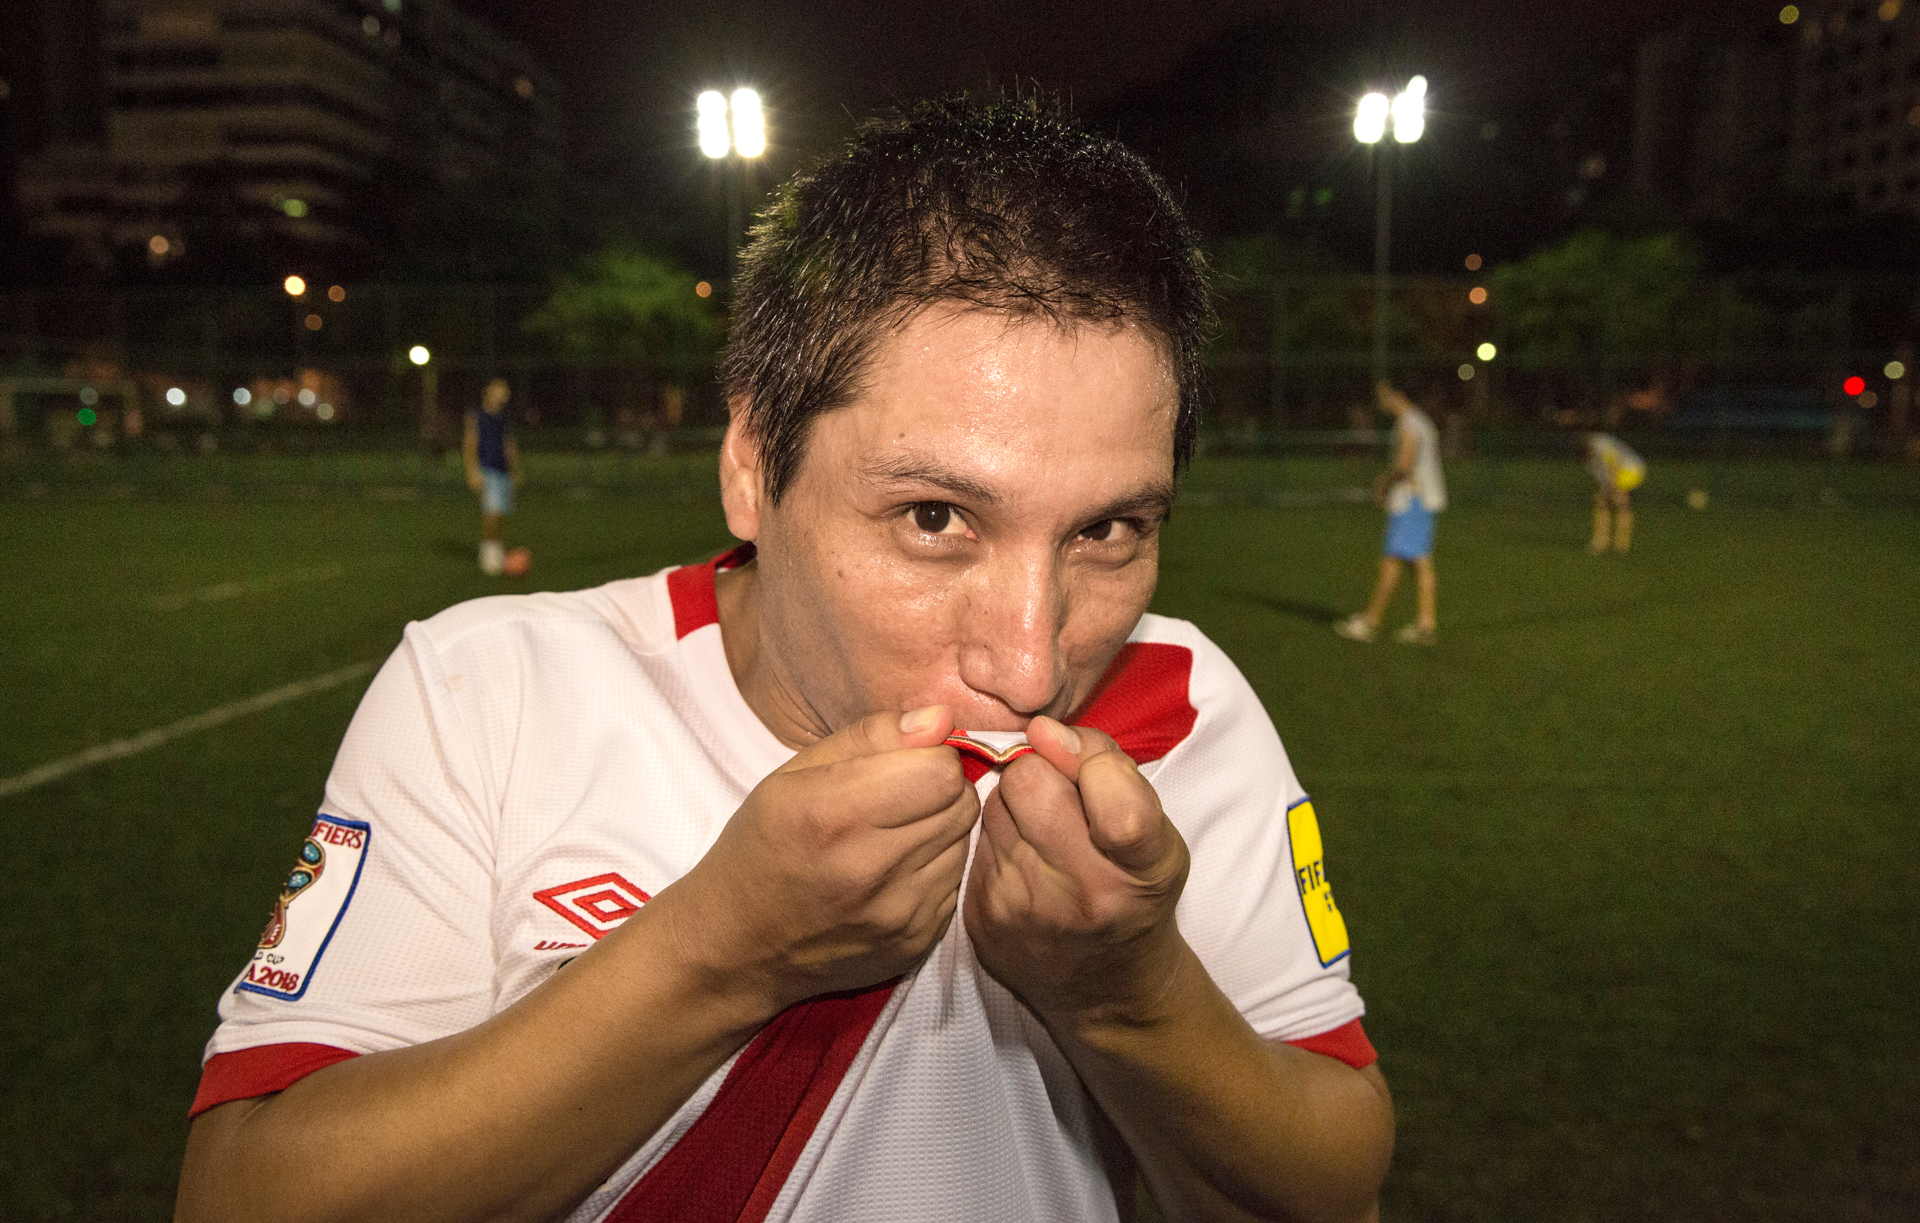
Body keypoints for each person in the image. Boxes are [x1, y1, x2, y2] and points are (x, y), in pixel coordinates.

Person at [177, 98, 1393, 1223]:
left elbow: (1336, 1176)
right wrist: (720, 949)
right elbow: (240, 1193)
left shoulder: (1180, 707)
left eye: (1108, 530)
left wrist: (1132, 997)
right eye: (934, 518)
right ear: (754, 465)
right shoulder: (490, 691)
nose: (1031, 663)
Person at [1336, 380, 1446, 645]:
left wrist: (1383, 482)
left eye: (1384, 394)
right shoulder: (1422, 420)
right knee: (1419, 561)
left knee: (1393, 558)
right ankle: (1425, 626)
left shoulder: (1408, 422)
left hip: (1412, 500)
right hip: (1424, 499)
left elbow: (1406, 464)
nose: (1380, 400)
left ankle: (1371, 621)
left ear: (1398, 394)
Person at [462, 378, 522, 575]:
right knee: (491, 512)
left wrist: (515, 471)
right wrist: (472, 470)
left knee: (499, 513)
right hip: (487, 469)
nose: (503, 395)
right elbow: (470, 443)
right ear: (488, 392)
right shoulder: (477, 416)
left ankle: (495, 551)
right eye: (499, 391)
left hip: (503, 470)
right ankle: (488, 555)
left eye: (505, 392)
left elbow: (509, 445)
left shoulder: (503, 418)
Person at [1585, 432, 1644, 553]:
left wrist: (1615, 488)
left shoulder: (1599, 445)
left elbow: (1614, 464)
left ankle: (1620, 544)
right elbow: (1601, 476)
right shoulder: (1591, 460)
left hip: (1630, 470)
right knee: (1602, 503)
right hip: (1622, 469)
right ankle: (1603, 542)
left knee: (1621, 503)